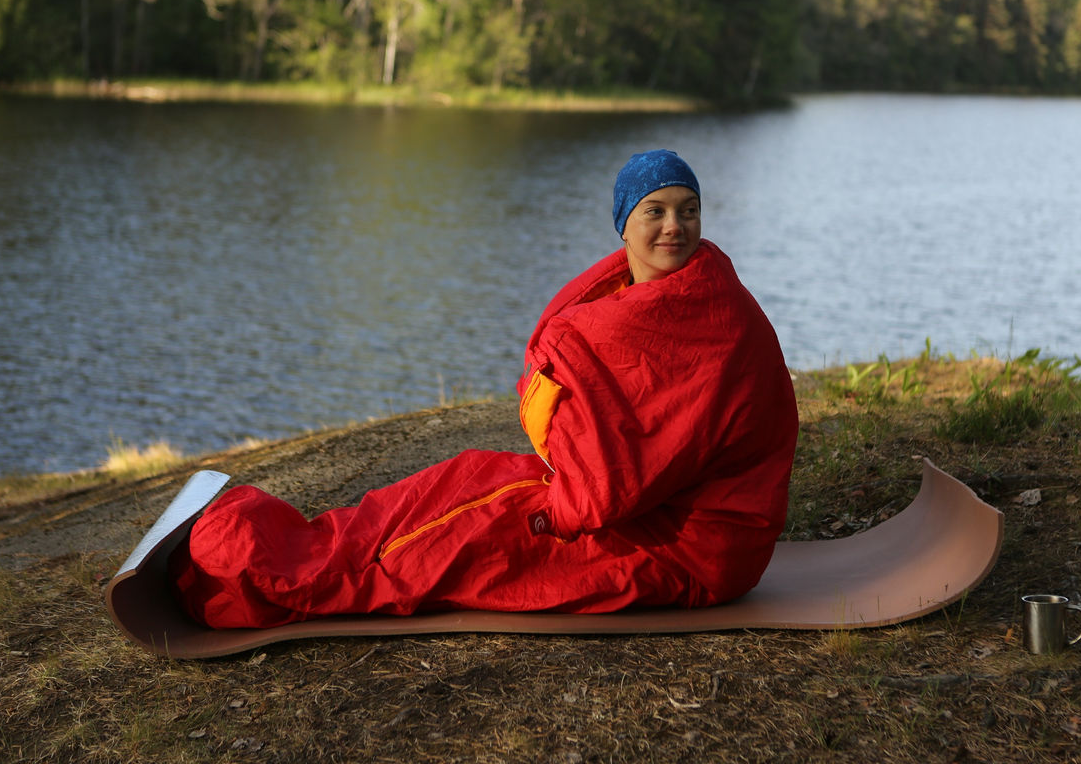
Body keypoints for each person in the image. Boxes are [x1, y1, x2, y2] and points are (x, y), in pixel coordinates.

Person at [171, 150, 799, 628]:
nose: (675, 227)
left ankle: (262, 577)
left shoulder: (720, 319)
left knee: (468, 537)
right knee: (464, 479)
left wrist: (559, 509)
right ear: (624, 225)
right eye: (655, 212)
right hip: (635, 508)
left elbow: (650, 458)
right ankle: (281, 549)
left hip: (693, 544)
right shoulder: (634, 303)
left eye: (688, 211)